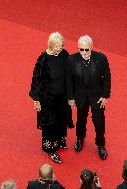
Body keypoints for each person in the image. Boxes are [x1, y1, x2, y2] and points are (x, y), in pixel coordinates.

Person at [29, 32, 74, 164]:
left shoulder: (64, 54)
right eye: (57, 47)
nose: (60, 49)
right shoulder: (42, 59)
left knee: (61, 119)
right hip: (48, 99)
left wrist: (71, 96)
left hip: (62, 96)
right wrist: (36, 100)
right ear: (51, 45)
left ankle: (60, 140)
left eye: (61, 46)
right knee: (49, 123)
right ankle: (51, 149)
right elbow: (35, 80)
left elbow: (70, 74)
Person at [66, 35, 111, 160]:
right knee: (81, 119)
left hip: (97, 96)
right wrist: (70, 97)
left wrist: (105, 96)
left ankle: (101, 145)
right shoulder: (71, 59)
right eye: (81, 49)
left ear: (91, 48)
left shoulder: (101, 58)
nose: (84, 53)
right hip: (80, 96)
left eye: (87, 50)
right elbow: (69, 80)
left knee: (99, 121)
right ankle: (80, 139)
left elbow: (107, 77)